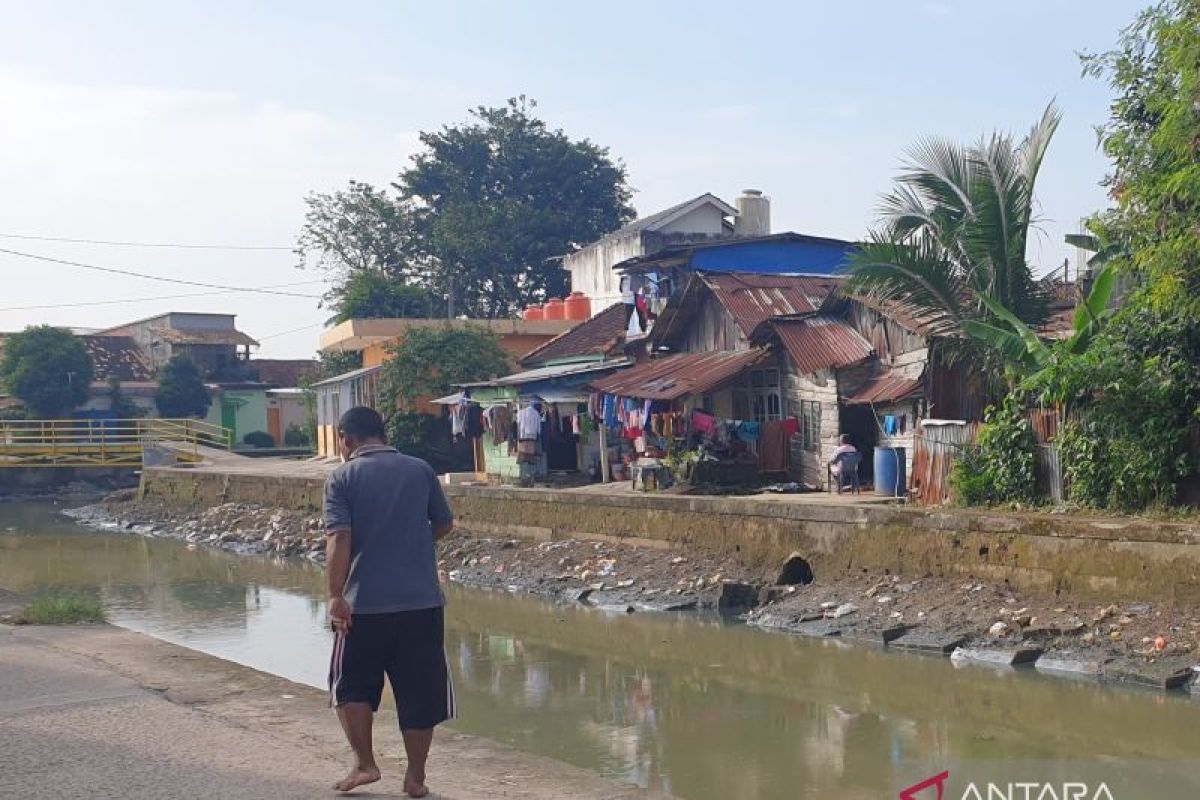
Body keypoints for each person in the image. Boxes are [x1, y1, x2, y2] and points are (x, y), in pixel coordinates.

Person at [324, 406, 456, 797]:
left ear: (347, 439)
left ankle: (366, 764)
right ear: (382, 433)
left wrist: (334, 595)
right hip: (422, 604)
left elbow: (339, 539)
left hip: (363, 605)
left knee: (350, 687)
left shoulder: (342, 478)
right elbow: (444, 523)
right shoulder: (420, 470)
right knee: (420, 691)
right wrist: (412, 544)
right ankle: (415, 777)